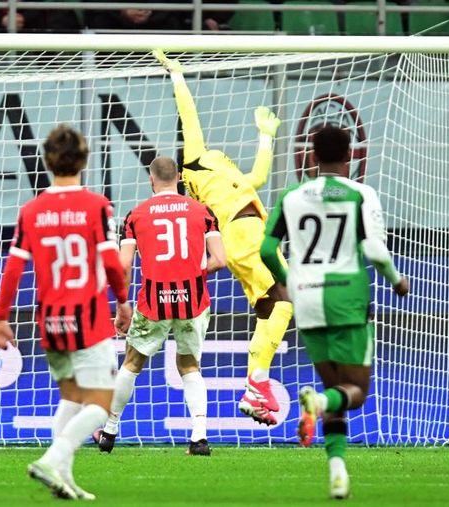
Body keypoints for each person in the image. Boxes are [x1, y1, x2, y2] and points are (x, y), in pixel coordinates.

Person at [260, 125, 409, 499]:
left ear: (312, 156)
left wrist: (286, 281)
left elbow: (266, 250)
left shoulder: (291, 196)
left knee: (335, 388)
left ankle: (338, 473)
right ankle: (320, 404)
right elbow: (374, 250)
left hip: (307, 298)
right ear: (350, 156)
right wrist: (396, 279)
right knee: (355, 391)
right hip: (348, 299)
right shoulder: (360, 194)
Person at [0, 124, 132, 500]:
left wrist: (0, 318)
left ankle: (62, 479)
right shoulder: (96, 206)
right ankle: (52, 460)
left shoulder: (32, 210)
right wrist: (122, 300)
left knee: (71, 397)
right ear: (84, 160)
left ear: (47, 161)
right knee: (101, 406)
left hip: (50, 319)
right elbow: (112, 263)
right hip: (86, 316)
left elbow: (14, 267)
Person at [154, 49, 293, 426]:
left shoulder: (226, 172)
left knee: (268, 309)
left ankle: (253, 391)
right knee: (288, 300)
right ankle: (257, 381)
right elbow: (190, 116)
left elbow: (258, 179)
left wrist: (265, 138)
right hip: (245, 234)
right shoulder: (195, 161)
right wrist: (177, 76)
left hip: (246, 235)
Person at [92, 156, 226, 456]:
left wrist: (122, 305)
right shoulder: (203, 212)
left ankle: (110, 432)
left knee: (132, 363)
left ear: (151, 179)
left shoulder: (136, 216)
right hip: (193, 300)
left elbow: (124, 265)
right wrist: (192, 272)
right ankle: (199, 438)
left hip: (154, 300)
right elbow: (220, 259)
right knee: (190, 365)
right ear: (178, 177)